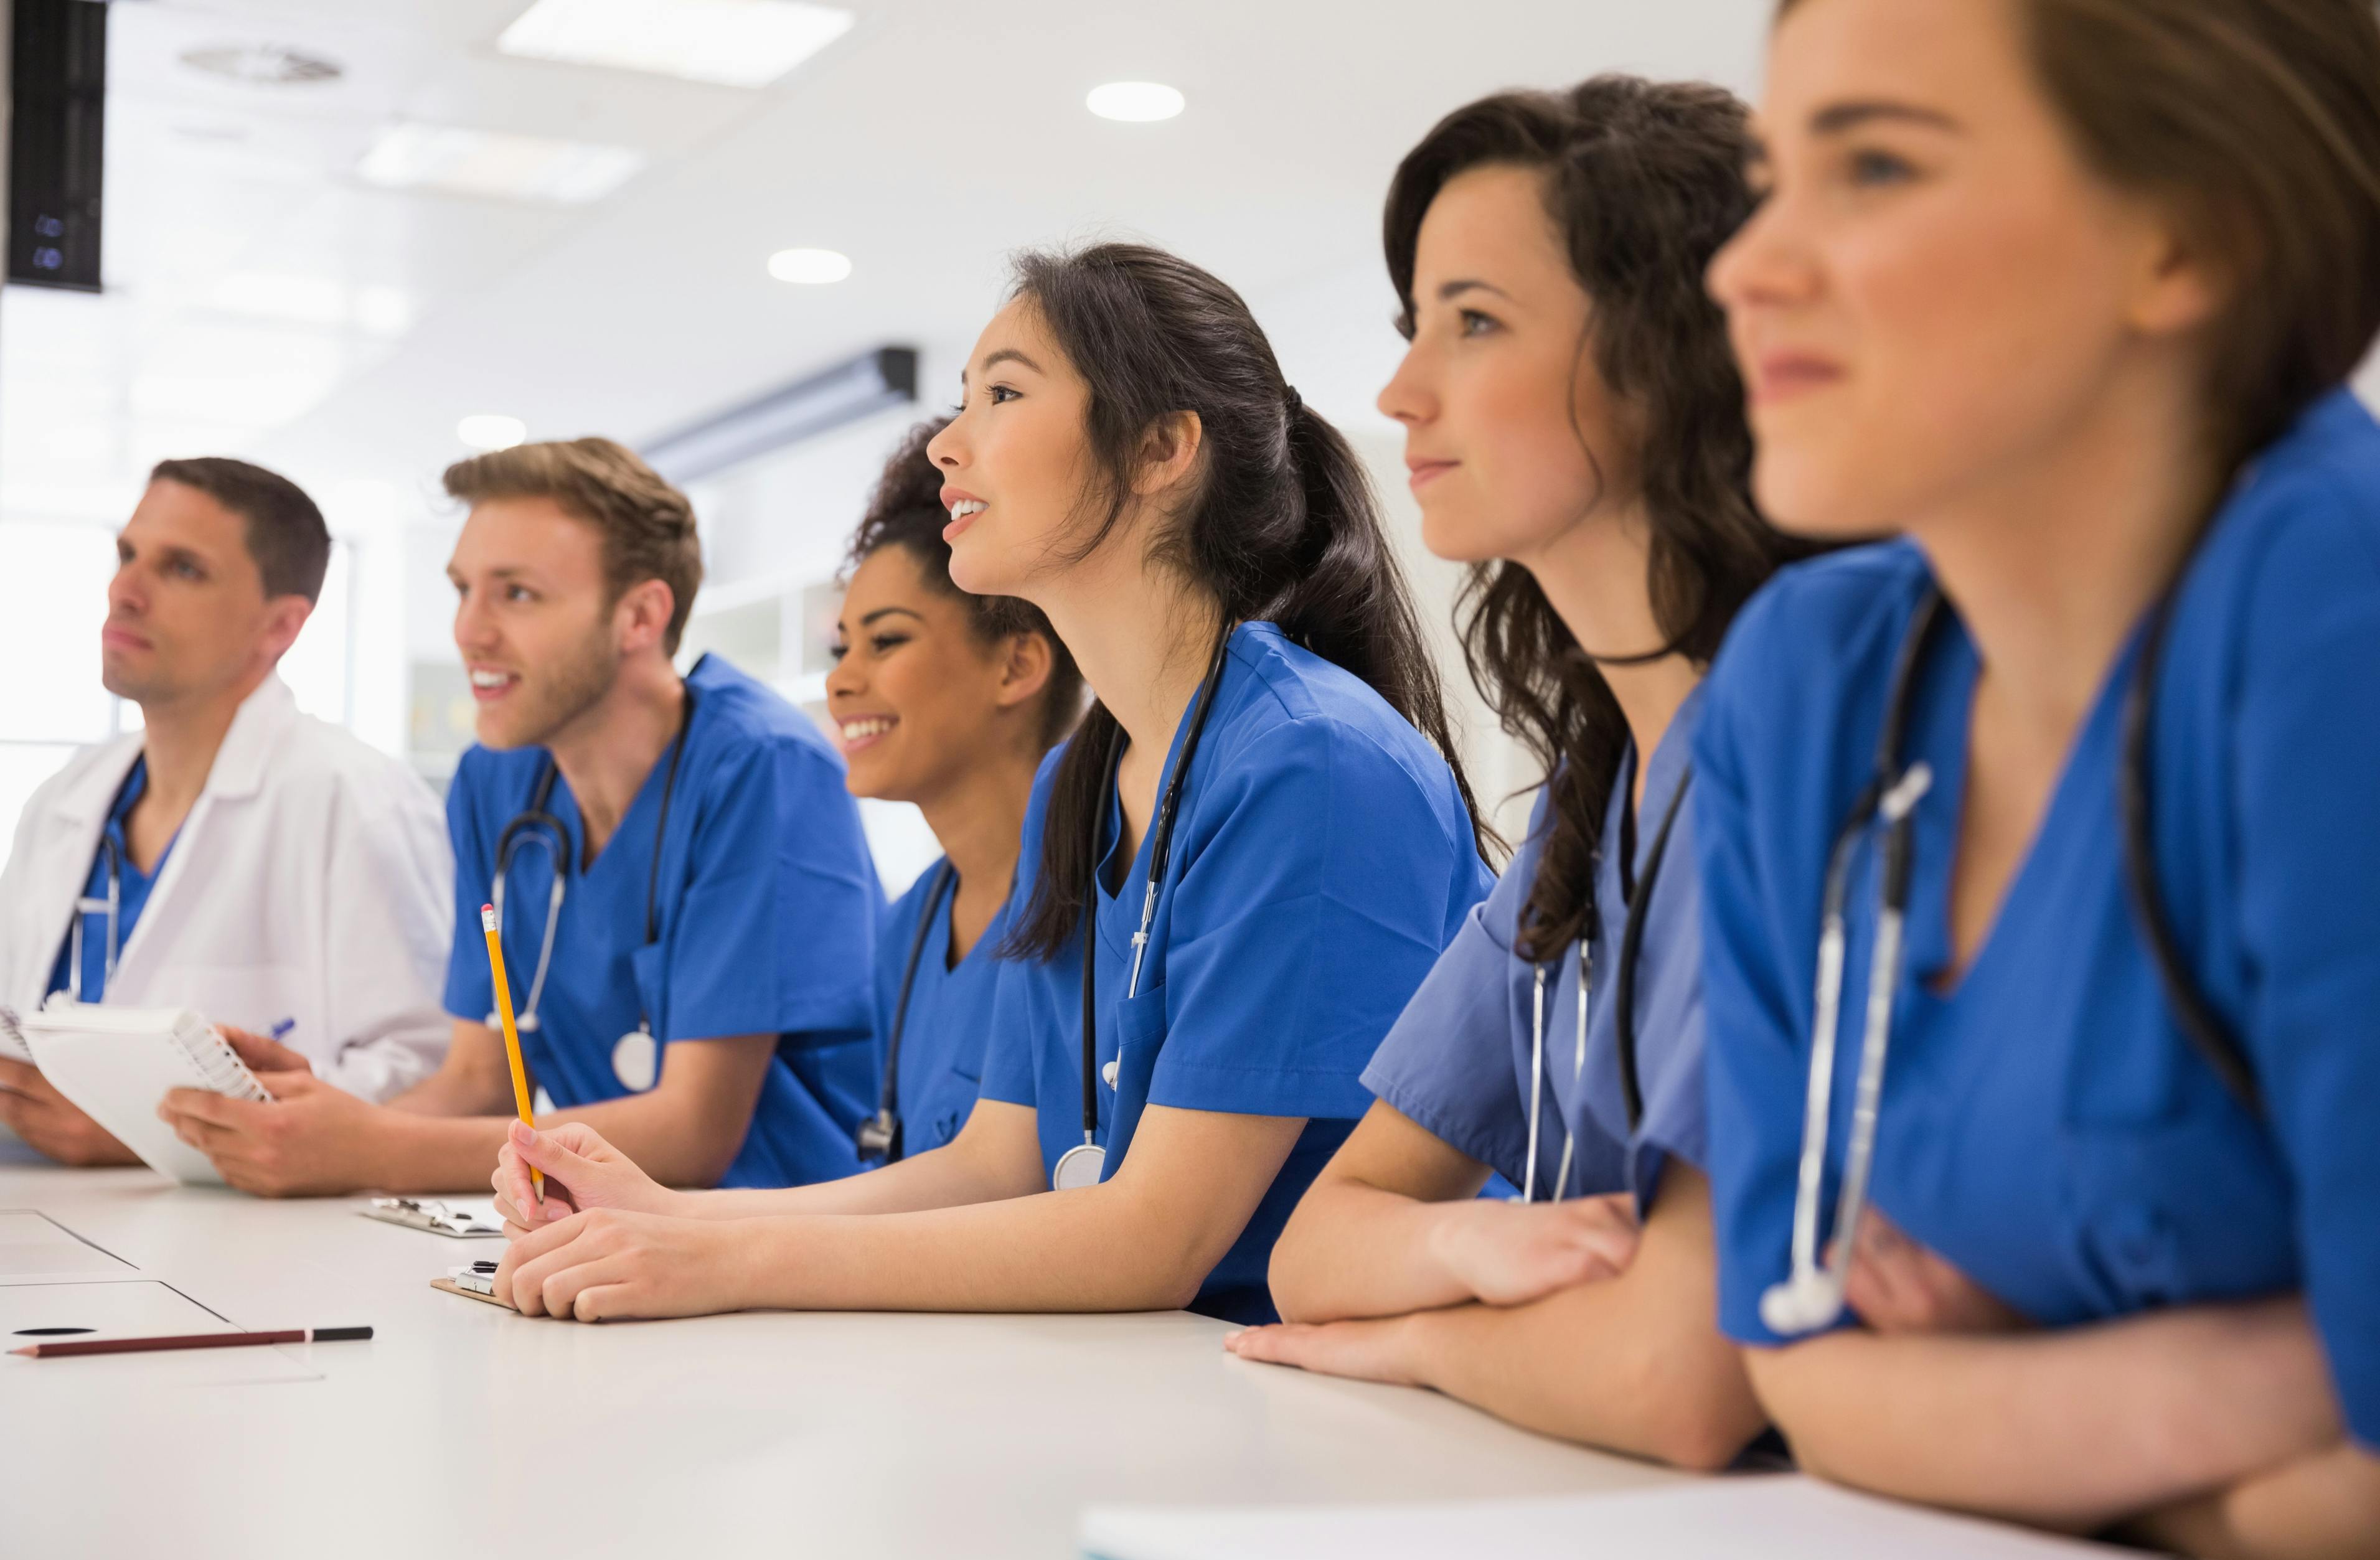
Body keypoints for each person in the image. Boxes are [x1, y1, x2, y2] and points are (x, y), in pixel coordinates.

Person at [1699, 0, 2380, 1560]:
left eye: (1872, 166)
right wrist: (2251, 1379)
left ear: (2185, 238)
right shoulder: (1809, 678)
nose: (1746, 266)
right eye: (1768, 173)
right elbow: (1801, 1362)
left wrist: (2013, 1423)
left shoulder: (2332, 602)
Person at [483, 242, 1492, 1328]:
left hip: (1343, 1420)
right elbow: (992, 1165)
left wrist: (721, 1265)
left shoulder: (1313, 763)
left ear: (1160, 449)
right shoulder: (1083, 774)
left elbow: (1154, 1241)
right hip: (1160, 1386)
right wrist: (672, 1218)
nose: (949, 447)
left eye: (1004, 393)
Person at [1228, 79, 1803, 1468]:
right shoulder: (1587, 802)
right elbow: (1318, 1248)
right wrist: (1482, 1239)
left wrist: (1422, 1334)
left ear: (1673, 357)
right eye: (1413, 324)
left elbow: (1678, 1375)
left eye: (1475, 322)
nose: (1399, 391)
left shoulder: (1797, 756)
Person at [161, 439, 880, 1195]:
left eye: (517, 594)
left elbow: (694, 1131)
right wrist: (313, 1129)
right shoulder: (497, 779)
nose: (469, 631)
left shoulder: (762, 766)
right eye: (463, 589)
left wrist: (368, 1149)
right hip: (612, 1237)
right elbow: (478, 1078)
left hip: (788, 1244)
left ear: (639, 615)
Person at [0, 458, 449, 1165]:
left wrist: (145, 1124)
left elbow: (429, 1075)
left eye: (182, 569)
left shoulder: (354, 797)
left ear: (280, 626)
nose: (125, 591)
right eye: (127, 555)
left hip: (237, 1251)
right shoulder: (66, 797)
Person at [832, 420, 1082, 1163]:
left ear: (1015, 667)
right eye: (840, 647)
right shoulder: (908, 931)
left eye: (886, 641)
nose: (841, 680)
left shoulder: (1094, 903)